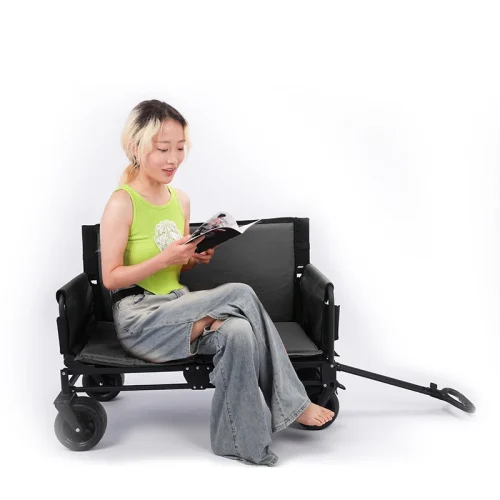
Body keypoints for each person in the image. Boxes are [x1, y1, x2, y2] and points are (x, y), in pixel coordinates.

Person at [99, 99, 334, 467]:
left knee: (239, 332)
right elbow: (110, 277)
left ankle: (237, 442)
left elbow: (174, 270)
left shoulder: (180, 200)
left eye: (180, 148)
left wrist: (193, 257)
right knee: (240, 293)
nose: (173, 159)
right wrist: (165, 258)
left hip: (176, 305)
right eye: (163, 149)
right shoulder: (122, 202)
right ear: (136, 147)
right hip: (141, 319)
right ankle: (292, 401)